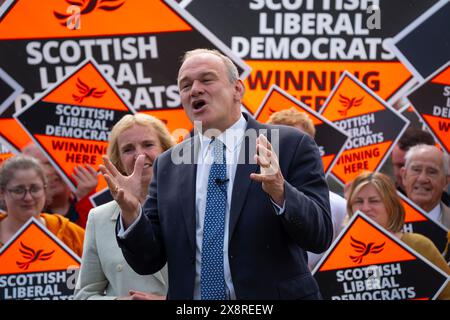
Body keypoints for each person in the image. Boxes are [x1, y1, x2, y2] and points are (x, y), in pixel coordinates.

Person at [101, 48, 332, 300]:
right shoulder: (168, 164)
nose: (195, 90)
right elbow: (148, 260)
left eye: (206, 79)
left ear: (237, 89)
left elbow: (319, 236)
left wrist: (281, 192)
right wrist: (132, 214)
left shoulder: (288, 144)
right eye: (185, 85)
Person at [74, 114, 172, 300]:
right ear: (118, 161)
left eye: (148, 144)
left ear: (166, 150)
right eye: (128, 149)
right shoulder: (99, 218)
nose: (139, 155)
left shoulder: (191, 206)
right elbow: (83, 295)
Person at [346, 171, 450, 300]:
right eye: (358, 201)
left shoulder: (419, 245)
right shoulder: (340, 251)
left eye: (374, 201)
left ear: (391, 206)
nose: (365, 208)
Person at [267, 107, 347, 270]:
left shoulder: (338, 206)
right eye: (284, 144)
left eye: (299, 143)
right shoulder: (249, 197)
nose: (292, 151)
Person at [0, 155, 84, 257]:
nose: (28, 198)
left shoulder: (70, 234)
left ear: (45, 189)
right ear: (2, 193)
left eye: (35, 189)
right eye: (19, 190)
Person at [22, 143, 98, 228]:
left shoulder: (97, 208)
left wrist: (86, 199)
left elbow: (96, 238)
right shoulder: (17, 215)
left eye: (55, 163)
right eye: (39, 166)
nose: (50, 171)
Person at [401, 144, 450, 229]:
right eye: (416, 170)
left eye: (432, 172)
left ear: (446, 182)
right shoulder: (384, 222)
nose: (422, 179)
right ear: (404, 176)